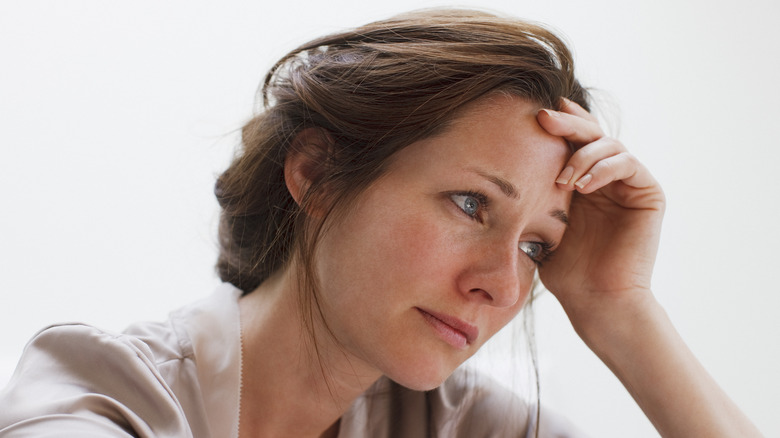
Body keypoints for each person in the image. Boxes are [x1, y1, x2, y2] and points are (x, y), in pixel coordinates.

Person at [0, 8, 763, 438]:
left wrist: (620, 311)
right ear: (317, 173)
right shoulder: (102, 399)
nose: (501, 285)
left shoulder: (471, 427)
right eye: (472, 205)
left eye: (538, 245)